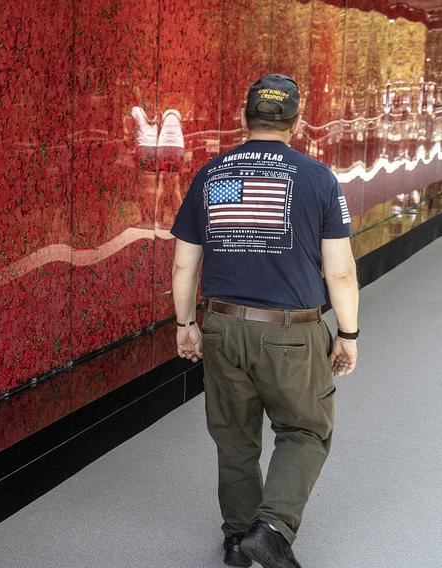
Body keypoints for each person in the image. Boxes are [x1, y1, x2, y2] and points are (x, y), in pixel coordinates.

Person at [169, 74, 360, 568]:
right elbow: (339, 269)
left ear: (244, 118)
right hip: (290, 333)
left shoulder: (211, 174)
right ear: (295, 123)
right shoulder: (316, 178)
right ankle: (271, 526)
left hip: (222, 325)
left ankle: (237, 540)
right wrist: (348, 333)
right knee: (305, 430)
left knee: (234, 438)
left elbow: (184, 264)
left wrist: (186, 324)